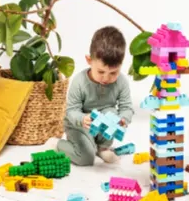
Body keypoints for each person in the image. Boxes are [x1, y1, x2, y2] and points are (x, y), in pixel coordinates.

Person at [54, 26, 134, 165]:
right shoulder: (79, 82)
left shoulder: (121, 82)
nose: (106, 78)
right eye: (101, 72)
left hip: (102, 128)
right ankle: (57, 144)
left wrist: (123, 119)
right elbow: (71, 111)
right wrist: (82, 119)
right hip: (79, 125)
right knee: (86, 158)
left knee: (111, 113)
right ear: (89, 60)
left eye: (113, 73)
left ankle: (102, 148)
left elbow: (127, 108)